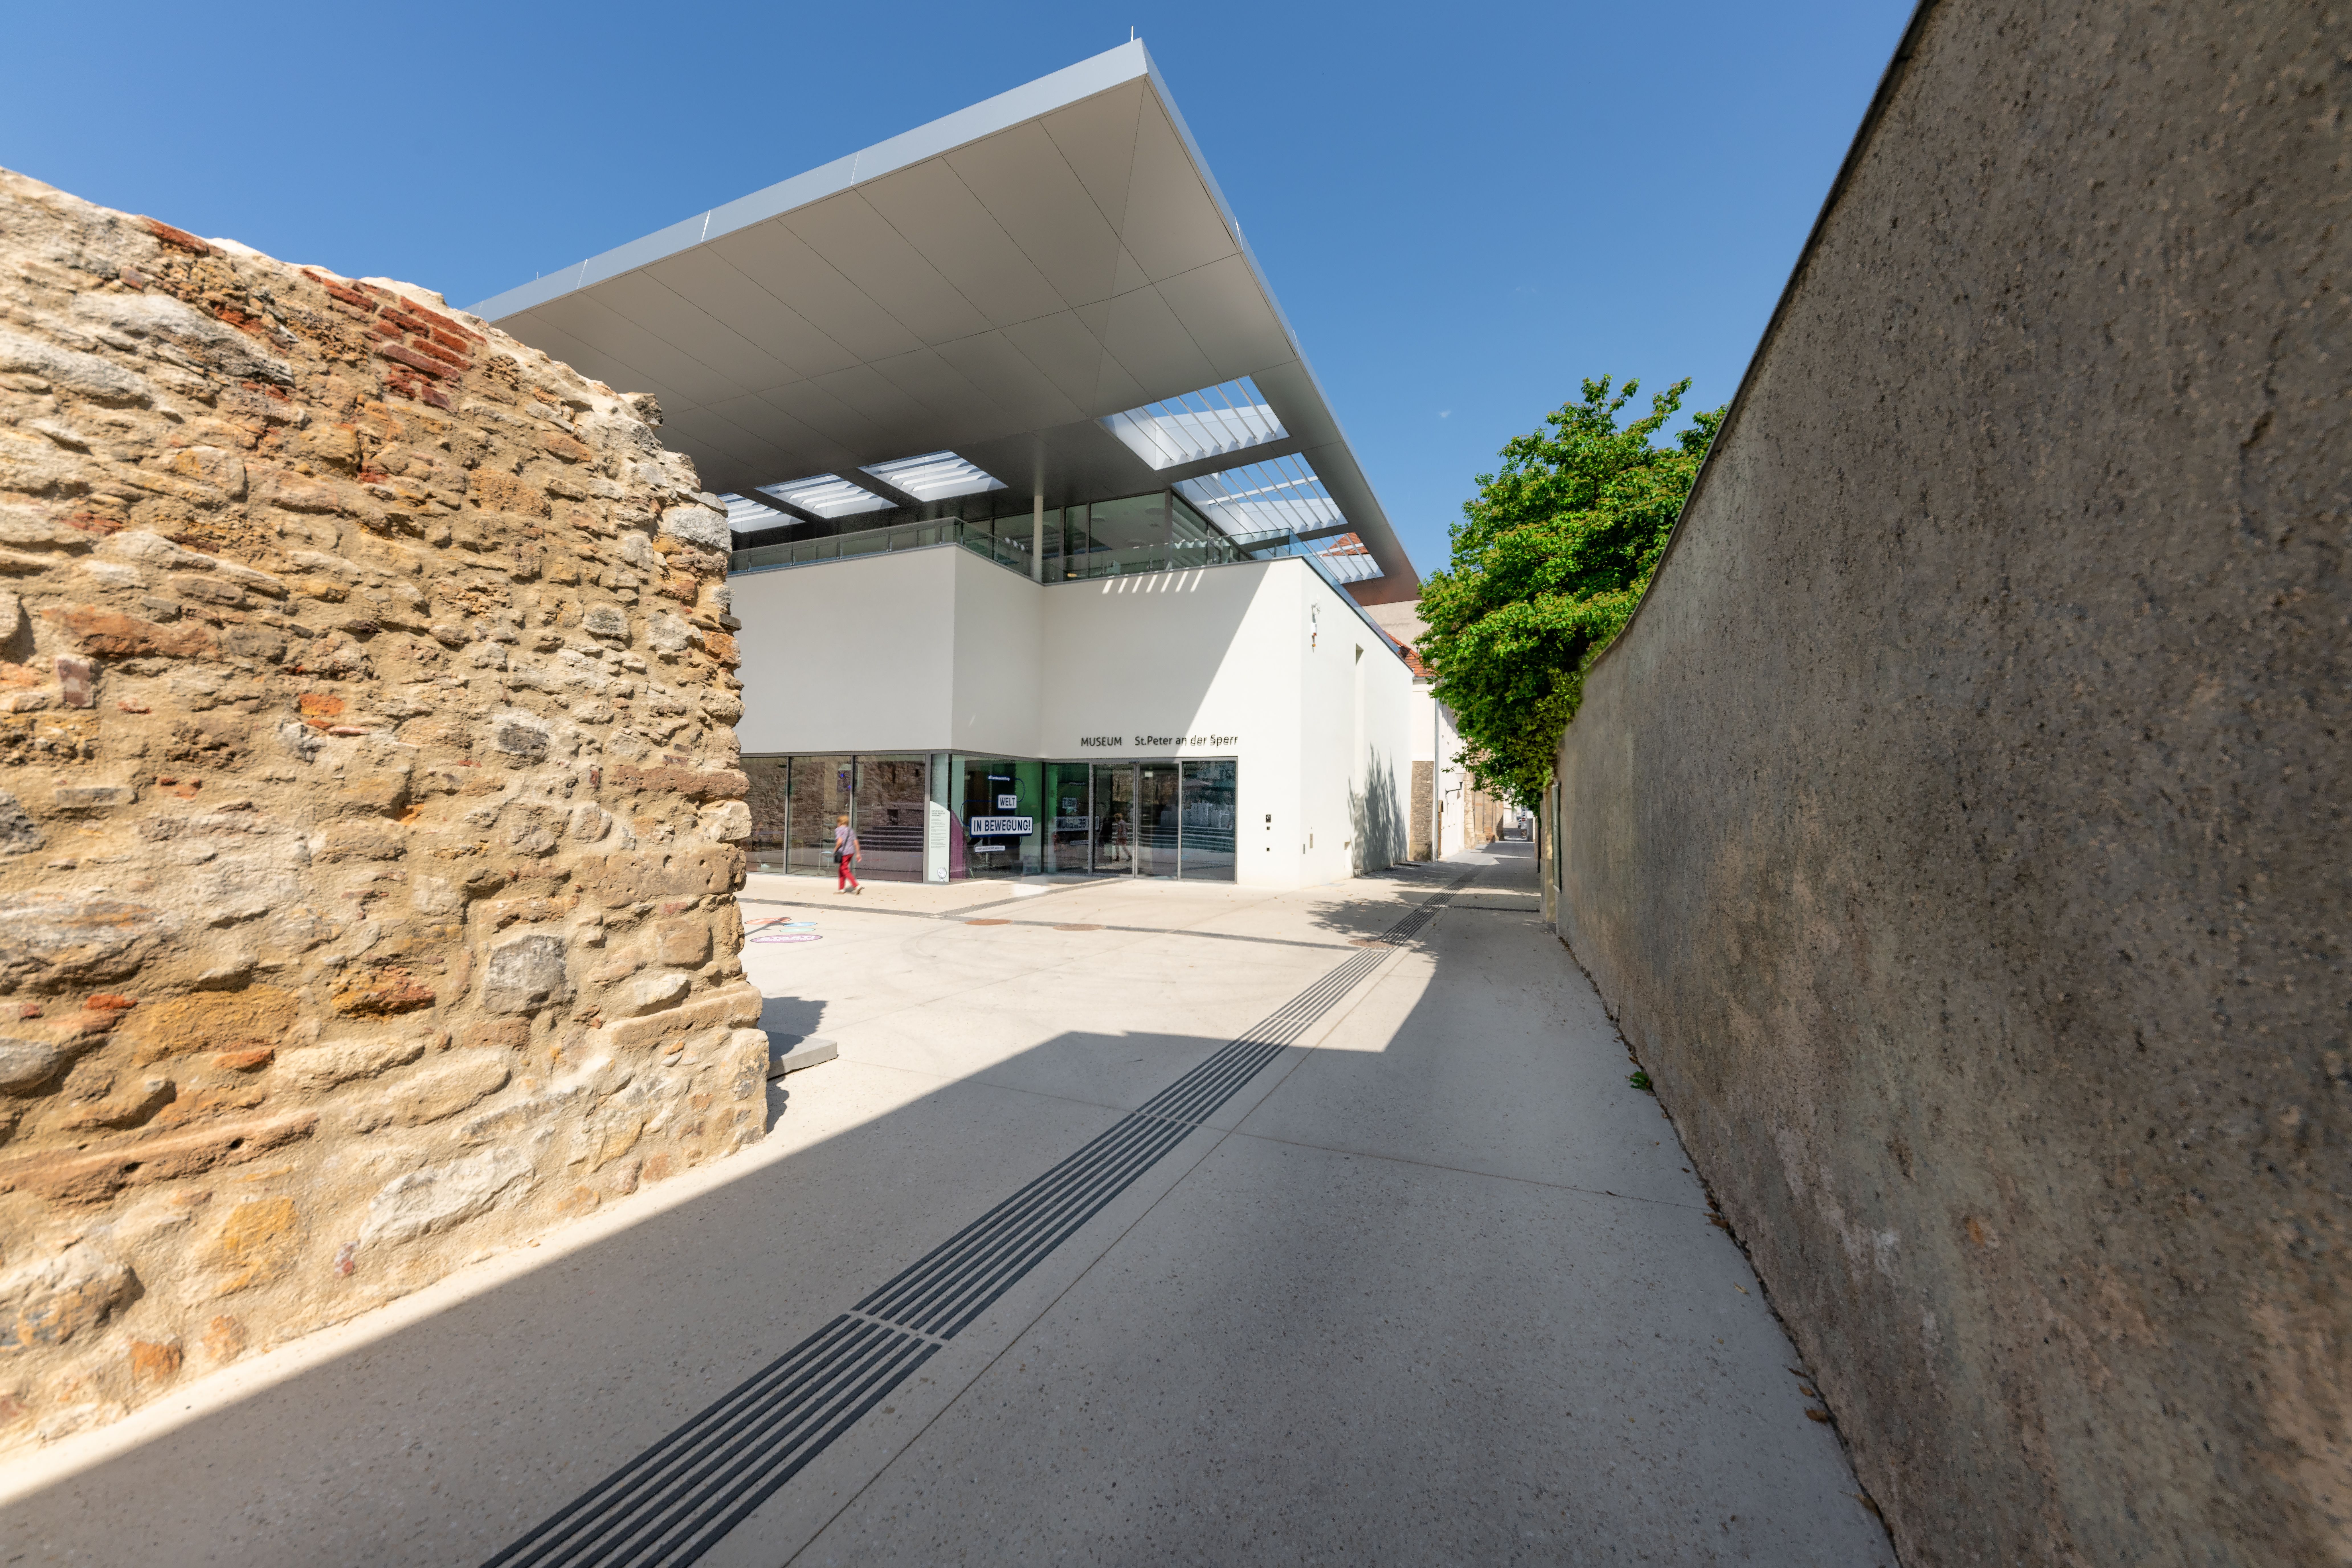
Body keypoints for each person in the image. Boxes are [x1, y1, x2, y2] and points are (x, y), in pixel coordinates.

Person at [834, 814, 862, 894]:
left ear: (840, 822)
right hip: (851, 853)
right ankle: (841, 889)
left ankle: (856, 886)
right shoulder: (851, 830)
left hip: (844, 853)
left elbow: (840, 842)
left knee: (844, 869)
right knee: (841, 870)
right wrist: (858, 854)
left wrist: (835, 849)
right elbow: (856, 842)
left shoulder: (839, 830)